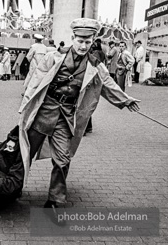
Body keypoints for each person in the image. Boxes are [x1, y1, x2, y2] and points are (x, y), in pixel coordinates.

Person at [19, 18, 140, 214]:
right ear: (73, 38)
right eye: (80, 41)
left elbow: (108, 83)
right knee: (25, 153)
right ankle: (13, 187)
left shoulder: (95, 65)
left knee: (62, 159)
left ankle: (55, 200)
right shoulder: (54, 57)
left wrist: (126, 100)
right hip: (43, 112)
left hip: (66, 117)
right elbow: (36, 79)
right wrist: (25, 104)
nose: (83, 46)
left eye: (88, 41)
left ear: (93, 41)